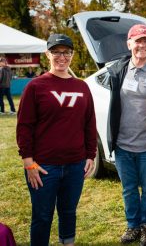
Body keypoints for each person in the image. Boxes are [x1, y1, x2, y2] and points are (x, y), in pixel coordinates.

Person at [16, 34, 97, 246]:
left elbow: (89, 123)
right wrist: (28, 162)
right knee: (42, 216)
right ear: (47, 55)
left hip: (75, 164)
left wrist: (90, 155)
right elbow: (24, 126)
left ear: (72, 55)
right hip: (43, 166)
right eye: (56, 52)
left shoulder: (82, 87)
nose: (62, 57)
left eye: (66, 52)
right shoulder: (36, 86)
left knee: (69, 212)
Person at [107, 24, 146, 245]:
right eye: (137, 41)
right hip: (122, 145)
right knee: (129, 189)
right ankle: (132, 226)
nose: (142, 45)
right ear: (129, 43)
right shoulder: (118, 69)